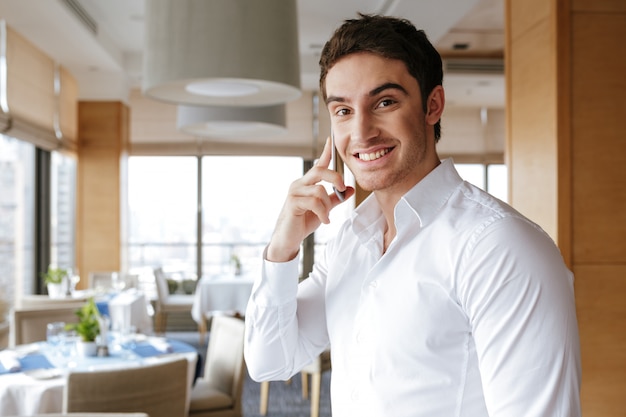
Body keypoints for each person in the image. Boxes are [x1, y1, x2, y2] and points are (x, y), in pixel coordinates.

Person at [244, 13, 581, 417]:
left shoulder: (500, 247)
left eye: (384, 102)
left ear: (432, 105)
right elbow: (270, 362)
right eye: (343, 111)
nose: (362, 132)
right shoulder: (351, 238)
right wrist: (283, 247)